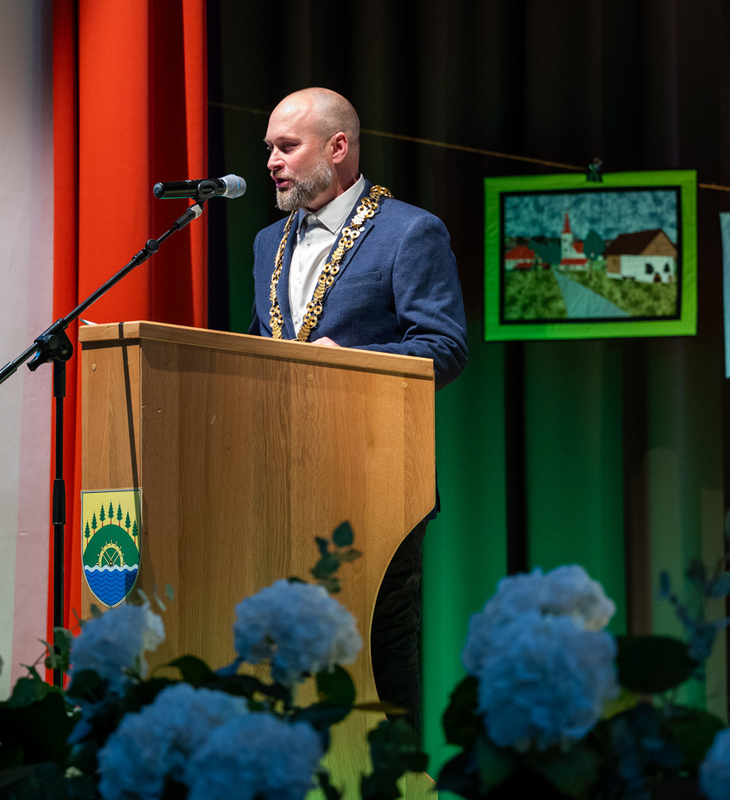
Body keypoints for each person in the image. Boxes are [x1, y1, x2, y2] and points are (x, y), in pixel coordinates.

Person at [248, 88, 468, 734]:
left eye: (287, 146)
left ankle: (396, 774)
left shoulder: (410, 231)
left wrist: (349, 360)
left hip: (377, 481)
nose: (272, 161)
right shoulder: (267, 242)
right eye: (269, 148)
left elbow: (444, 349)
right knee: (291, 659)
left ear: (338, 147)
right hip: (281, 482)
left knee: (378, 655)